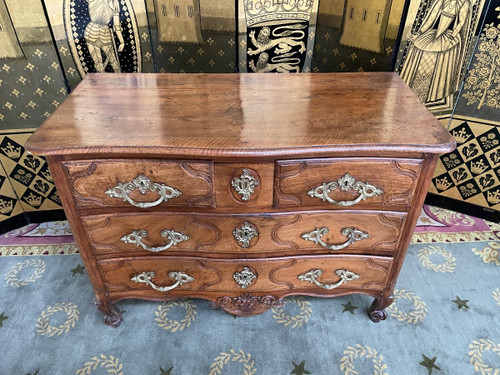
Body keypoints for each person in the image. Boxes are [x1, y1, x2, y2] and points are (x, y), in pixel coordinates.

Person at [400, 0, 472, 103]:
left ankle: (433, 94)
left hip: (450, 35)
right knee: (421, 48)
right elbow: (431, 18)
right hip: (434, 34)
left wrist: (451, 38)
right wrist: (419, 33)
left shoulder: (464, 3)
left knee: (440, 53)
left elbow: (461, 23)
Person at [84, 0, 125, 73]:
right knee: (99, 65)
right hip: (91, 32)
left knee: (114, 63)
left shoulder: (114, 2)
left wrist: (122, 41)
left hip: (105, 34)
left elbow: (116, 25)